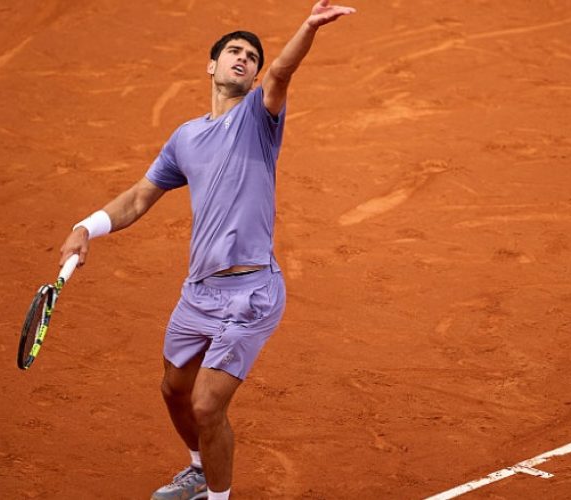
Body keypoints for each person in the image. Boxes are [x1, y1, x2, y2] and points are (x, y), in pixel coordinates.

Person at [57, 2, 356, 499]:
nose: (244, 59)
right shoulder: (185, 138)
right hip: (198, 293)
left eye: (251, 57)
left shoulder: (260, 119)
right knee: (173, 390)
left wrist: (309, 26)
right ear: (211, 65)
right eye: (233, 52)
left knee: (205, 406)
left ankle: (220, 497)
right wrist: (85, 226)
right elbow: (138, 198)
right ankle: (200, 469)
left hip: (252, 293)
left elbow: (283, 70)